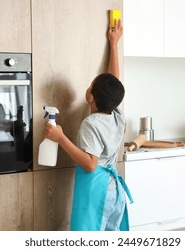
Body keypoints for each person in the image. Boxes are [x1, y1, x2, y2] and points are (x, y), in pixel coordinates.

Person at [43, 18, 133, 231]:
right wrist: (114, 43)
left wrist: (60, 137)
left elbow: (91, 164)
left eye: (91, 85)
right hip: (115, 192)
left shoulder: (91, 124)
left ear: (90, 96)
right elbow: (113, 80)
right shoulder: (116, 114)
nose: (89, 85)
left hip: (98, 191)